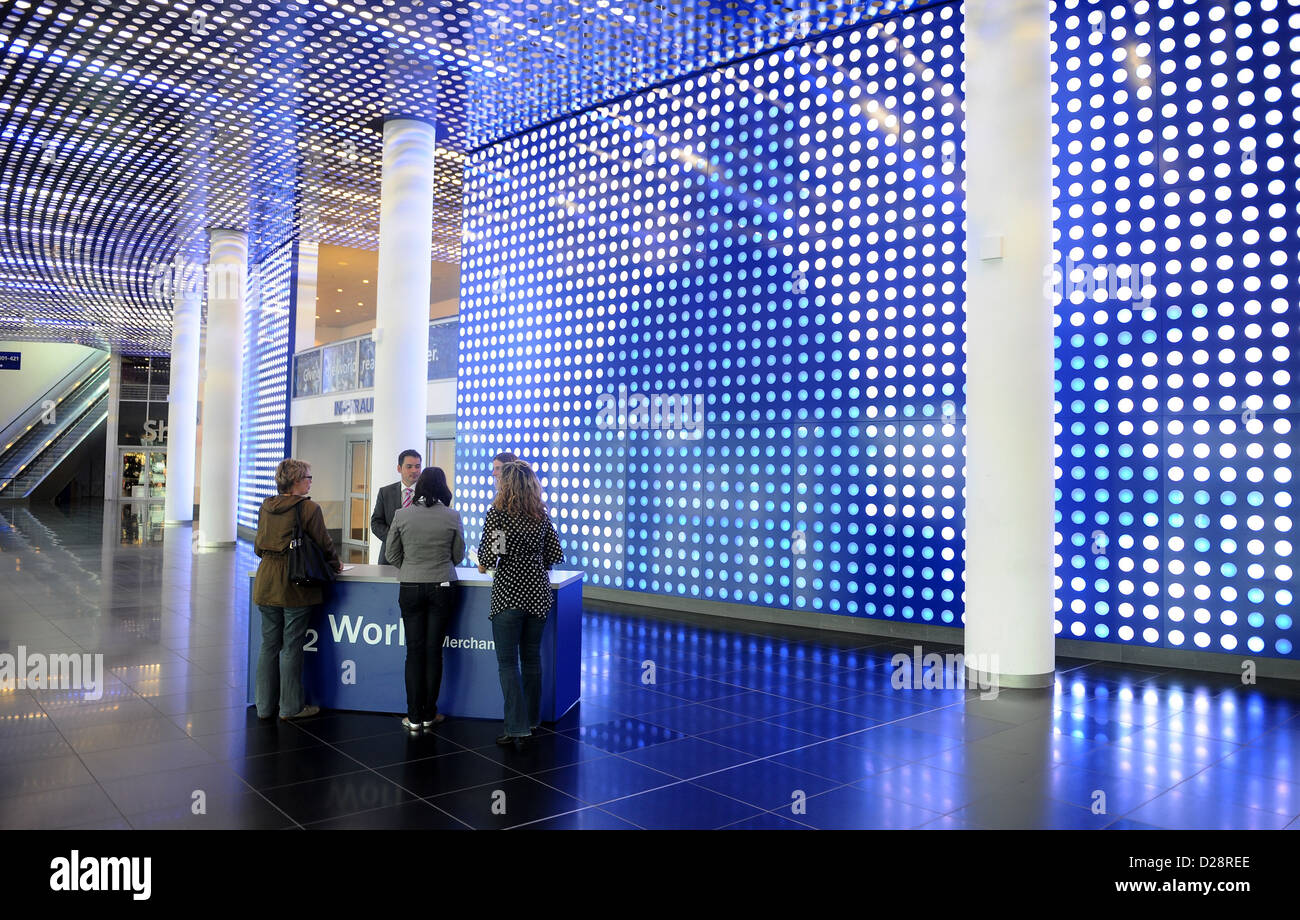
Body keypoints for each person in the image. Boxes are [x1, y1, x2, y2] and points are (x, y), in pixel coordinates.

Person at [477, 460, 564, 751]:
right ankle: (531, 721)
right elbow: (553, 554)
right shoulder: (541, 515)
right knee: (531, 660)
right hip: (538, 595)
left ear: (505, 483)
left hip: (508, 595)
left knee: (507, 664)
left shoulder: (498, 515)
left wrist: (488, 563)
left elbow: (490, 556)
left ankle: (515, 727)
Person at [252, 458, 343, 721]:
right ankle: (290, 707)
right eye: (308, 478)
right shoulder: (308, 509)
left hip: (266, 580)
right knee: (292, 645)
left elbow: (259, 546)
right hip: (294, 585)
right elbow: (325, 544)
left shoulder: (265, 506)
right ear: (295, 481)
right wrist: (335, 564)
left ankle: (264, 706)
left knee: (268, 644)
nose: (311, 482)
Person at [385, 467, 465, 734]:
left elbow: (391, 554)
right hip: (442, 586)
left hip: (410, 586)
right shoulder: (452, 516)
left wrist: (410, 568)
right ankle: (430, 713)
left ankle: (414, 716)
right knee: (434, 652)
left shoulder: (401, 514)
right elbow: (458, 556)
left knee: (414, 652)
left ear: (419, 487)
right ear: (443, 487)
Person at [370, 449, 422, 564]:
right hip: (389, 556)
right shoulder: (386, 492)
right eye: (409, 466)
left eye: (417, 466)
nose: (414, 470)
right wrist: (394, 539)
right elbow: (376, 522)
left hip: (418, 558)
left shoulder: (427, 494)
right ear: (399, 468)